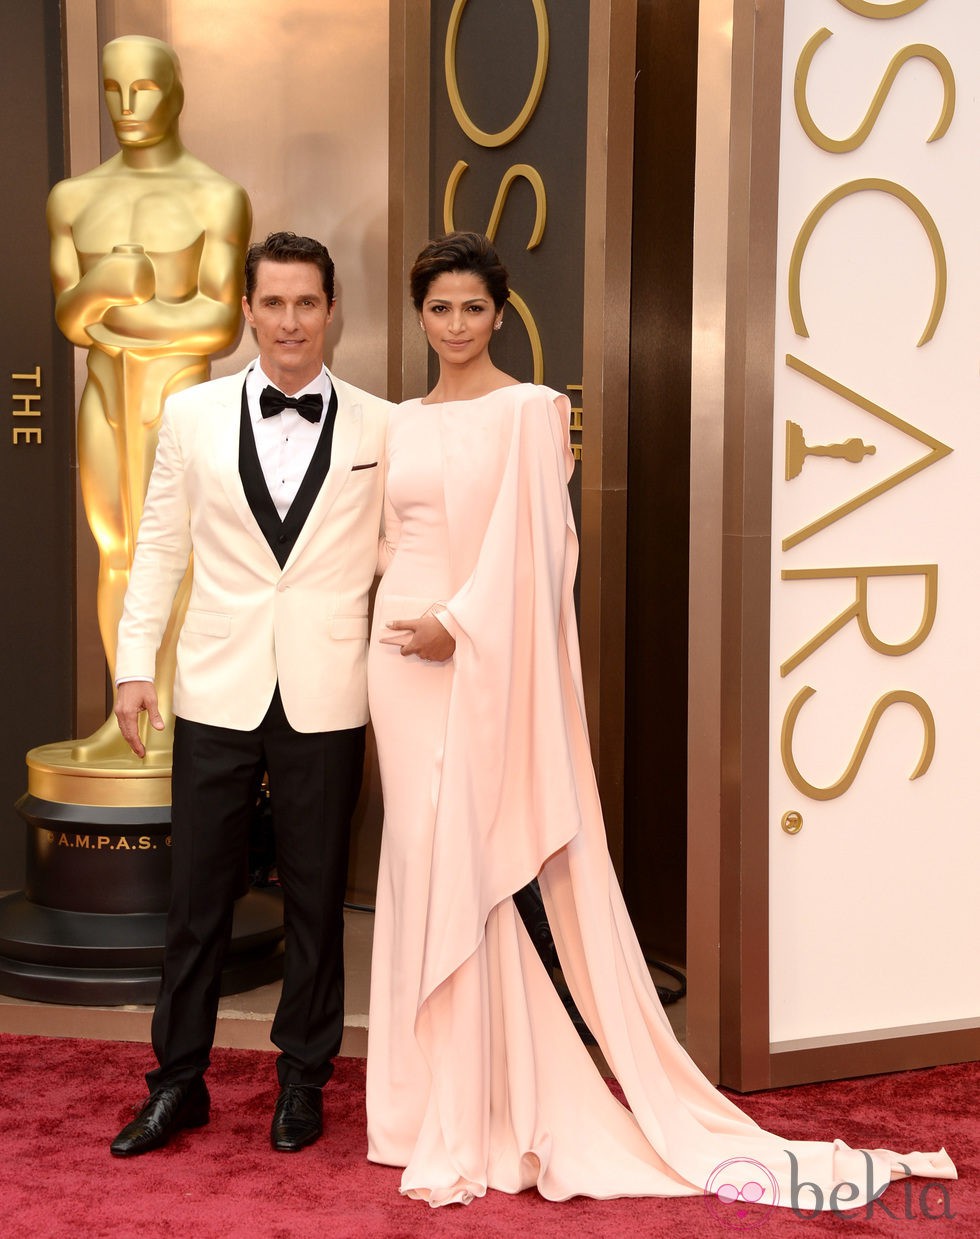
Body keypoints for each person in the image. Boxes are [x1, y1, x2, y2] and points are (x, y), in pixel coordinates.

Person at [364, 232, 955, 1209]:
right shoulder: (398, 422)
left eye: (473, 307)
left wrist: (456, 625)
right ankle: (419, 1101)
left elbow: (542, 556)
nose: (457, 325)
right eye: (439, 308)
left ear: (500, 315)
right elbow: (392, 536)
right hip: (398, 666)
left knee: (466, 867)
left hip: (473, 653)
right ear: (417, 315)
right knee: (417, 868)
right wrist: (397, 618)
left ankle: (483, 1104)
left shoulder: (531, 411)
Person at [109, 231, 390, 1157]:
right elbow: (158, 548)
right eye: (273, 303)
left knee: (316, 901)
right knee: (195, 898)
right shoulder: (189, 417)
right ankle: (177, 1082)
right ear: (247, 312)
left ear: (332, 308)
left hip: (328, 690)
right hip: (216, 686)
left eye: (307, 302)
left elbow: (408, 552)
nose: (290, 320)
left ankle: (302, 1079)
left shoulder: (381, 427)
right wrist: (134, 664)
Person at [47, 34, 252, 761]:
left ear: (176, 93)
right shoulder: (74, 197)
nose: (127, 106)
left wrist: (116, 310)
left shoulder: (215, 196)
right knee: (116, 551)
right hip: (104, 391)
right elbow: (70, 316)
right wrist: (102, 288)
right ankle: (124, 712)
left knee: (179, 552)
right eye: (113, 89)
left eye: (145, 89)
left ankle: (171, 714)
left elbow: (221, 319)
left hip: (176, 391)